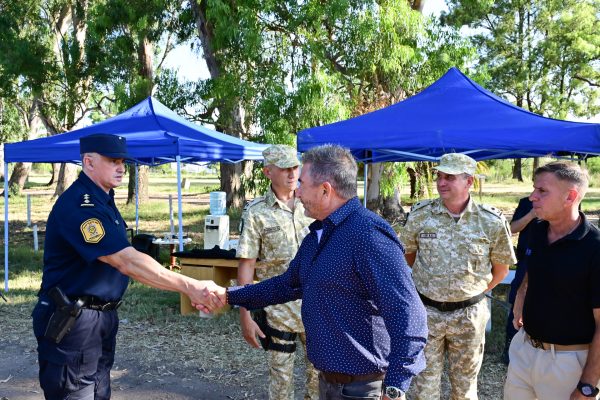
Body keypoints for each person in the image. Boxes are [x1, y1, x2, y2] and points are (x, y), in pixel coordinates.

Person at [197, 144, 428, 400]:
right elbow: (286, 285)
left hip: (365, 388)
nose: (297, 190)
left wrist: (395, 389)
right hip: (330, 383)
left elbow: (409, 315)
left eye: (302, 183)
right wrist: (228, 295)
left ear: (325, 190)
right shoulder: (319, 235)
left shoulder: (368, 235)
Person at [31, 133, 222, 400]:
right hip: (73, 320)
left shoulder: (103, 200)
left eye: (122, 161)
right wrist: (190, 286)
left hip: (99, 318)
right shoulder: (80, 205)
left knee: (98, 392)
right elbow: (126, 261)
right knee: (75, 393)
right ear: (88, 162)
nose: (121, 167)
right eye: (113, 161)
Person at [400, 153, 516, 400]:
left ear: (469, 181)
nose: (441, 182)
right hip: (427, 313)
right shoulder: (421, 215)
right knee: (423, 390)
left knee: (464, 390)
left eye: (450, 177)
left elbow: (501, 270)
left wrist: (471, 294)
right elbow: (408, 256)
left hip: (468, 316)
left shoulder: (490, 221)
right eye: (439, 176)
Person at [505, 161, 600, 400]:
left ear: (570, 197)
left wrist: (587, 385)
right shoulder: (538, 230)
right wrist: (522, 293)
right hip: (524, 350)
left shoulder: (595, 248)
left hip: (568, 363)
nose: (532, 197)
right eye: (534, 188)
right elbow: (533, 266)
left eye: (542, 191)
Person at [236, 144, 318, 400]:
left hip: (317, 305)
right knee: (281, 383)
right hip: (278, 310)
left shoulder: (314, 201)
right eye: (284, 168)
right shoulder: (256, 212)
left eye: (295, 167)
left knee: (320, 378)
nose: (292, 173)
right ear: (268, 172)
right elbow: (247, 264)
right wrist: (245, 314)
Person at [502, 196, 536, 364]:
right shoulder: (526, 202)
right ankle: (510, 348)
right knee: (517, 299)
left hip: (552, 258)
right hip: (526, 259)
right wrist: (531, 214)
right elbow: (511, 229)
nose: (536, 194)